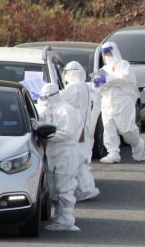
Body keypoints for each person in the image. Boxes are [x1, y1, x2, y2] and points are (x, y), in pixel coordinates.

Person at [92, 41, 145, 163]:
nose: (107, 55)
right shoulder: (103, 69)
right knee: (108, 128)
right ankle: (112, 152)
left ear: (115, 51)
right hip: (107, 102)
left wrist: (108, 80)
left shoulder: (124, 65)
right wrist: (100, 82)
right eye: (105, 53)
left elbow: (127, 79)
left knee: (126, 130)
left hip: (123, 102)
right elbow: (95, 87)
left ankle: (138, 145)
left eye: (109, 52)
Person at [38, 83, 81, 231]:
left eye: (46, 97)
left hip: (66, 152)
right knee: (54, 187)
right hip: (52, 153)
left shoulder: (66, 110)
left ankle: (67, 220)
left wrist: (47, 136)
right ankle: (59, 217)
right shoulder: (49, 110)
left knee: (65, 186)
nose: (44, 100)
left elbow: (67, 133)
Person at [61, 61, 100, 201]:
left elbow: (58, 98)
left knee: (77, 160)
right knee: (81, 160)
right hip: (84, 128)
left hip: (77, 129)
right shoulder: (83, 86)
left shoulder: (75, 87)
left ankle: (85, 189)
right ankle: (86, 188)